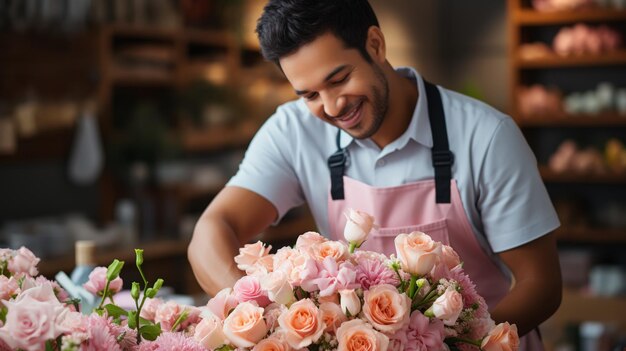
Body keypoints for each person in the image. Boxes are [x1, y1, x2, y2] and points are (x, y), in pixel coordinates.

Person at [188, 0, 562, 349]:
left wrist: (455, 344)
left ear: (375, 44)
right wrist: (258, 316)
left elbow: (540, 283)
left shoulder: (486, 136)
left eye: (339, 79)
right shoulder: (293, 131)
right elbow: (212, 230)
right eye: (310, 95)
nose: (332, 107)